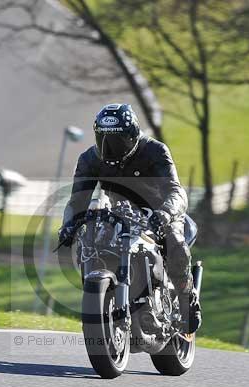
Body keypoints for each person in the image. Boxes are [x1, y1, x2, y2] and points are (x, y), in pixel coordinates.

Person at [57, 103, 201, 333]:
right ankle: (102, 300)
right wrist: (68, 224)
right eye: (103, 140)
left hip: (160, 210)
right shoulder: (90, 159)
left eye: (118, 141)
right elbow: (77, 200)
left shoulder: (155, 151)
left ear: (133, 134)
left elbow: (176, 191)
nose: (110, 148)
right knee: (89, 239)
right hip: (120, 212)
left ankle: (187, 300)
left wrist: (165, 213)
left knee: (173, 238)